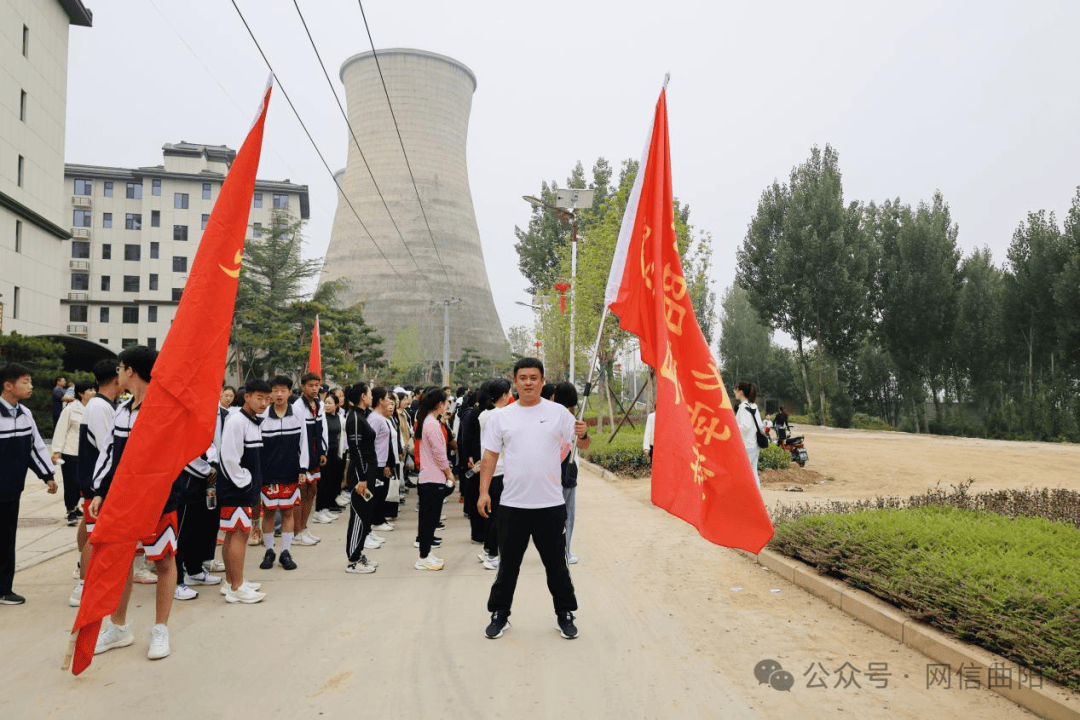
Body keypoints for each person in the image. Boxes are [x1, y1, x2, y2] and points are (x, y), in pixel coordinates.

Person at [478, 358, 589, 640]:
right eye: (523, 377)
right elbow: (489, 456)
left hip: (550, 506)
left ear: (541, 381)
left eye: (534, 377)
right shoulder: (501, 417)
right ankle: (499, 614)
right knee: (508, 566)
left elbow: (583, 444)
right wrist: (483, 492)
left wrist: (584, 433)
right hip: (513, 505)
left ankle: (565, 613)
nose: (528, 382)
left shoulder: (558, 413)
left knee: (557, 566)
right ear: (514, 381)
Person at [88, 346, 184, 660]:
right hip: (124, 501)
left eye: (120, 367)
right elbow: (109, 454)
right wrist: (100, 491)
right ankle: (118, 627)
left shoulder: (164, 408)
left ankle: (160, 629)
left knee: (163, 561)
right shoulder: (123, 410)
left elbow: (185, 452)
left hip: (158, 501)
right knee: (123, 561)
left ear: (130, 371)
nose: (117, 373)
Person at [0, 364, 58, 605]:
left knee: (6, 539)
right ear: (8, 385)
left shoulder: (25, 414)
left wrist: (48, 475)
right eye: (25, 381)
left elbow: (35, 447)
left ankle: (4, 589)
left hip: (11, 491)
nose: (30, 386)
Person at [70, 359, 121, 607]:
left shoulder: (106, 405)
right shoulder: (100, 407)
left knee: (94, 532)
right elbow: (107, 448)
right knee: (95, 536)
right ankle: (82, 586)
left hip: (97, 480)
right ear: (115, 378)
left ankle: (87, 578)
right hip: (97, 482)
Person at [217, 380, 271, 603]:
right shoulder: (237, 420)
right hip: (236, 488)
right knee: (239, 533)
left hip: (242, 487)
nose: (264, 403)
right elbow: (228, 457)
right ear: (246, 396)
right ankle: (237, 587)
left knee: (234, 534)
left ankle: (232, 582)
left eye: (267, 399)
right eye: (259, 398)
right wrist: (246, 482)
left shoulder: (252, 421)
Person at [257, 376, 309, 572]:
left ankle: (286, 552)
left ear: (289, 392)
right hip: (268, 472)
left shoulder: (297, 414)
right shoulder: (262, 416)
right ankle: (269, 550)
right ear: (271, 393)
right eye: (275, 390)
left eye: (283, 390)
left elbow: (303, 442)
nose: (279, 394)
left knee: (288, 512)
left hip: (290, 471)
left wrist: (303, 468)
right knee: (268, 512)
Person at [415, 389, 452, 571]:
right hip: (433, 478)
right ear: (440, 405)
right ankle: (423, 556)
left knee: (428, 520)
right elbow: (440, 454)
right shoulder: (432, 424)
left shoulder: (428, 422)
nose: (447, 406)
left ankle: (426, 553)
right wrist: (449, 473)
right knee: (429, 520)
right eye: (446, 402)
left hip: (428, 477)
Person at [476, 378, 511, 570]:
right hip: (501, 468)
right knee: (499, 515)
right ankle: (491, 554)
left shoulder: (484, 414)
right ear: (504, 394)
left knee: (492, 514)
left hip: (491, 468)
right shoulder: (502, 415)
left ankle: (487, 550)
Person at [343, 383, 378, 574]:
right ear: (363, 397)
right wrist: (361, 479)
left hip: (368, 474)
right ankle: (353, 560)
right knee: (357, 517)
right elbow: (355, 449)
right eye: (369, 394)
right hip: (361, 476)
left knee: (365, 517)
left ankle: (359, 553)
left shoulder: (361, 416)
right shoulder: (354, 418)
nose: (371, 396)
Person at [51, 380, 95, 525]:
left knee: (83, 483)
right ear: (81, 394)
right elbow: (61, 430)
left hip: (87, 452)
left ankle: (77, 507)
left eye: (94, 389)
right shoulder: (70, 409)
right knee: (71, 482)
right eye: (90, 390)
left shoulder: (95, 409)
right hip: (71, 451)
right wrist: (57, 451)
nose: (93, 392)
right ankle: (70, 510)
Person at [292, 373, 327, 546]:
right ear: (303, 386)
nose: (314, 389)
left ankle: (304, 528)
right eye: (311, 385)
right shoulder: (298, 406)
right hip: (302, 457)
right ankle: (296, 531)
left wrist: (323, 451)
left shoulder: (319, 404)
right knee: (301, 492)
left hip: (315, 455)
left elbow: (322, 429)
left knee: (311, 491)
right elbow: (299, 436)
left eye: (316, 385)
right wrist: (301, 461)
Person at [552, 382, 581, 564]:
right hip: (566, 470)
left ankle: (552, 550)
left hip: (549, 472)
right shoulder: (571, 420)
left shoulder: (549, 416)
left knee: (552, 513)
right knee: (568, 514)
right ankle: (565, 552)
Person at [313, 392, 345, 523]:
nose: (326, 405)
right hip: (324, 453)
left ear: (337, 405)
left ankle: (326, 508)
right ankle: (318, 511)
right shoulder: (322, 418)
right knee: (323, 483)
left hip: (335, 452)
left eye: (330, 403)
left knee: (332, 481)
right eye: (325, 402)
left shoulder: (339, 417)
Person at [368, 387, 396, 535]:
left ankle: (379, 519)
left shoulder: (381, 418)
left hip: (382, 461)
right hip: (377, 462)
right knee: (377, 494)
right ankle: (376, 521)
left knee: (381, 493)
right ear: (380, 401)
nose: (390, 402)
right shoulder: (375, 419)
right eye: (387, 398)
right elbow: (370, 442)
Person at [734, 382, 763, 489]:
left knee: (740, 474)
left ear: (740, 392)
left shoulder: (743, 408)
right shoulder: (754, 407)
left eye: (736, 390)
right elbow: (759, 425)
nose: (734, 393)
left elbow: (745, 426)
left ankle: (743, 498)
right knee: (753, 472)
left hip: (746, 446)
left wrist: (734, 426)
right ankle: (757, 498)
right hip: (755, 445)